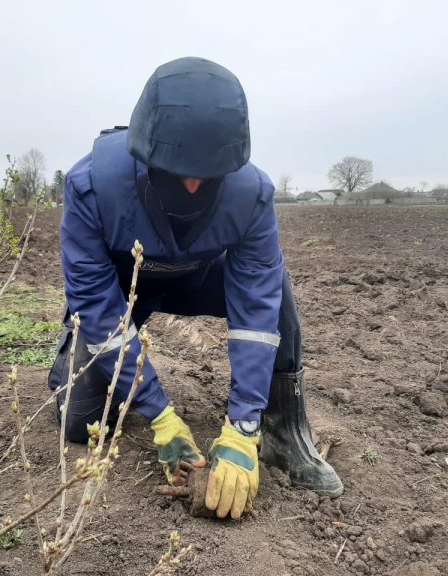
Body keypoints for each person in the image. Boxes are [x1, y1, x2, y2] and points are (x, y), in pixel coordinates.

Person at [49, 56, 343, 519]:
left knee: (277, 288)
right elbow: (95, 301)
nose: (191, 187)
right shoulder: (91, 186)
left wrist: (243, 426)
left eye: (206, 176)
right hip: (124, 289)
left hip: (201, 277)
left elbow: (257, 308)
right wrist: (159, 413)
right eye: (176, 170)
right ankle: (73, 356)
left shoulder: (253, 195)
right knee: (81, 423)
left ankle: (285, 436)